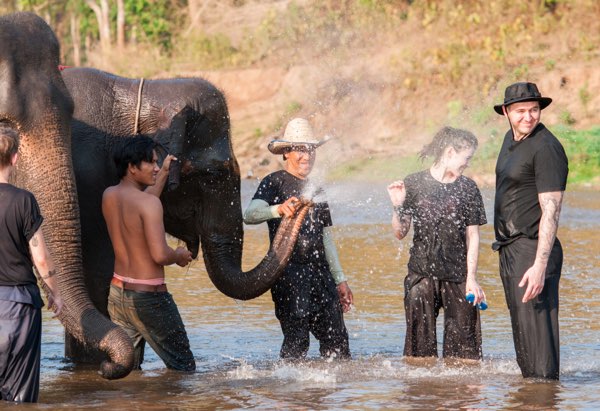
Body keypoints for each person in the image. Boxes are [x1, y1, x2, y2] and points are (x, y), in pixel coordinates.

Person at [243, 118, 352, 360]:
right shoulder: (273, 182)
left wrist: (341, 280)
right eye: (300, 149)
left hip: (321, 275)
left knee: (338, 344)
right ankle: (291, 396)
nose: (307, 156)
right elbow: (249, 215)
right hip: (289, 276)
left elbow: (326, 239)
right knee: (296, 342)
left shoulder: (317, 189)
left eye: (310, 150)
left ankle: (331, 396)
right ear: (286, 153)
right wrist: (278, 210)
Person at [387, 126, 487, 361]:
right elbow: (400, 233)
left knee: (465, 359)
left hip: (458, 276)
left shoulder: (468, 188)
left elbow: (473, 236)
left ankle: (461, 397)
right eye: (467, 158)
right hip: (421, 275)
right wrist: (397, 205)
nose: (467, 164)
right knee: (418, 357)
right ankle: (423, 397)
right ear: (450, 152)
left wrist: (471, 279)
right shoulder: (414, 183)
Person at [493, 82, 568, 379]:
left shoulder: (546, 147)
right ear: (507, 112)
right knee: (524, 340)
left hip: (533, 249)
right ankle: (532, 397)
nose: (529, 116)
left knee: (539, 344)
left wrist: (539, 265)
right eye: (521, 111)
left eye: (534, 110)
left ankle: (544, 397)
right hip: (510, 248)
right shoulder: (509, 140)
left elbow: (551, 210)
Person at [102, 136, 195, 371]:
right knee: (183, 370)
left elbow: (144, 203)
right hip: (149, 298)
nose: (155, 167)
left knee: (128, 370)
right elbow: (160, 255)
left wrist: (164, 172)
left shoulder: (109, 195)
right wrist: (179, 254)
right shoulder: (149, 204)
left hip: (118, 294)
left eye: (157, 163)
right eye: (151, 163)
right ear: (132, 168)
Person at [0, 123, 64, 403]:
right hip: (18, 306)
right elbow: (40, 256)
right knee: (18, 396)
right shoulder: (23, 200)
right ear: (15, 158)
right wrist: (56, 293)